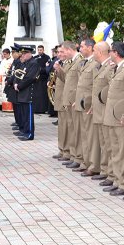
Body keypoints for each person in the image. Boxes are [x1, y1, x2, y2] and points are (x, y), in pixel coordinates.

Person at [103, 42, 124, 195]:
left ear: (115, 53)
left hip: (121, 118)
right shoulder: (117, 68)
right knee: (115, 151)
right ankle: (118, 180)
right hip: (112, 117)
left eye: (110, 51)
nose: (109, 53)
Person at [54, 41, 84, 169]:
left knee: (73, 130)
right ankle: (68, 152)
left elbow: (79, 83)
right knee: (67, 128)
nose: (61, 54)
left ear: (69, 50)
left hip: (73, 101)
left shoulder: (79, 61)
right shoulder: (71, 62)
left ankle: (73, 154)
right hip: (66, 99)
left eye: (62, 51)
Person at [90, 42, 114, 189]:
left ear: (99, 52)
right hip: (99, 111)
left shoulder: (110, 67)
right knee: (104, 144)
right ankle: (105, 171)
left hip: (106, 111)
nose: (93, 53)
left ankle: (110, 173)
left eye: (94, 50)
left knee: (109, 146)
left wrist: (99, 99)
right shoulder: (100, 66)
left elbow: (111, 89)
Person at [75, 39, 100, 177]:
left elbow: (95, 86)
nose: (80, 49)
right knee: (84, 135)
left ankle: (94, 165)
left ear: (90, 48)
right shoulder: (85, 62)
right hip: (81, 103)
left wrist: (90, 103)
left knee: (91, 137)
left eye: (83, 46)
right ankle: (86, 162)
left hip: (88, 104)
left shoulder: (95, 63)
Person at [13, 46, 41, 141]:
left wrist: (19, 86)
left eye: (25, 54)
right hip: (23, 92)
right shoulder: (26, 63)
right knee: (24, 114)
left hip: (29, 92)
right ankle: (24, 131)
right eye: (22, 54)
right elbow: (19, 74)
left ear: (29, 54)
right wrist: (16, 83)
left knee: (28, 115)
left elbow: (29, 78)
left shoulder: (34, 63)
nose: (23, 55)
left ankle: (29, 134)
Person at [32, 45, 51, 114]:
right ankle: (36, 109)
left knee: (43, 95)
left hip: (43, 79)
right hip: (36, 80)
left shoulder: (47, 57)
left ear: (43, 50)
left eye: (41, 50)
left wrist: (40, 70)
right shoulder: (35, 58)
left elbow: (47, 68)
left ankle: (43, 109)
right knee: (36, 95)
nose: (39, 51)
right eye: (38, 50)